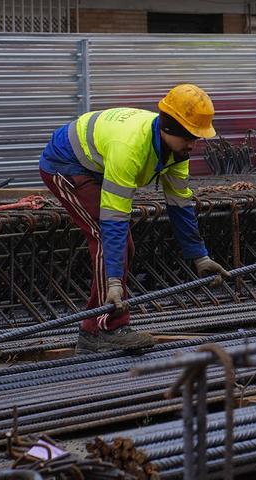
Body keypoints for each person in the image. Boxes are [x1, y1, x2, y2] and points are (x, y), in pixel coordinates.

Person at [39, 84, 230, 353]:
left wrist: (200, 256)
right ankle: (105, 329)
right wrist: (114, 281)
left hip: (96, 164)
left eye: (196, 137)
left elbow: (180, 206)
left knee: (120, 244)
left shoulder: (178, 153)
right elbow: (114, 219)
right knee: (107, 239)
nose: (193, 144)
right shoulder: (129, 148)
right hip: (66, 165)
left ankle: (98, 327)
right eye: (189, 136)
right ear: (169, 129)